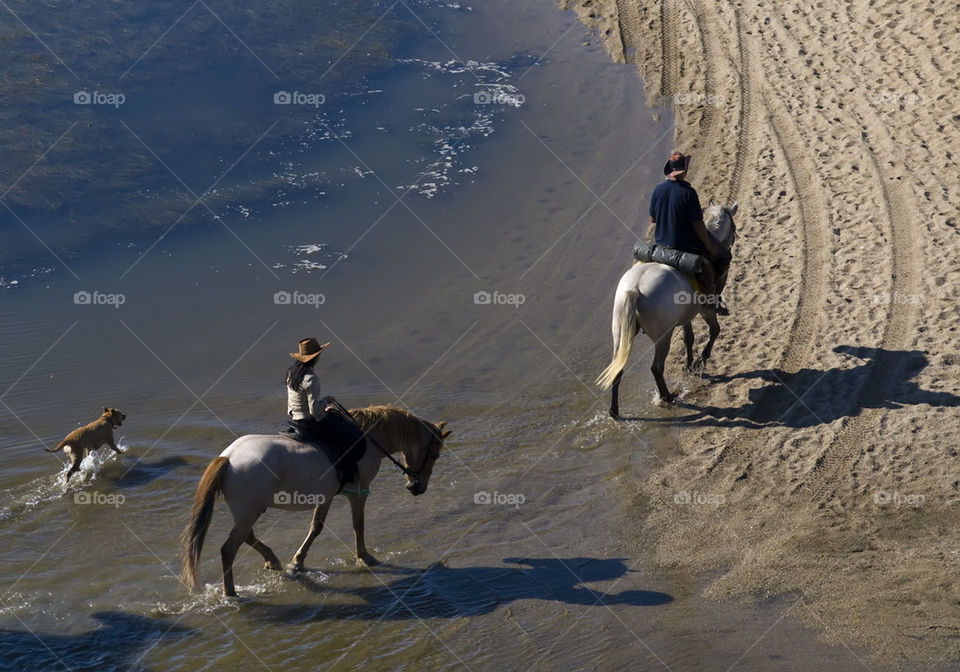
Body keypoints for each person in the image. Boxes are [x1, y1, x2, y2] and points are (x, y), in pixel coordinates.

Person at [648, 151, 730, 315]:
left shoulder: (658, 190)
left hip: (660, 244)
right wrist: (709, 246)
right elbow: (699, 226)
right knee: (724, 257)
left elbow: (652, 219)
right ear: (684, 170)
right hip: (683, 246)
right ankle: (712, 300)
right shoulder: (688, 193)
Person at [286, 337, 366, 487]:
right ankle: (348, 482)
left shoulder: (292, 373)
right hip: (309, 423)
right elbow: (315, 413)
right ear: (316, 357)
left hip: (294, 419)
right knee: (352, 439)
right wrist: (326, 403)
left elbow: (292, 403)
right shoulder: (311, 379)